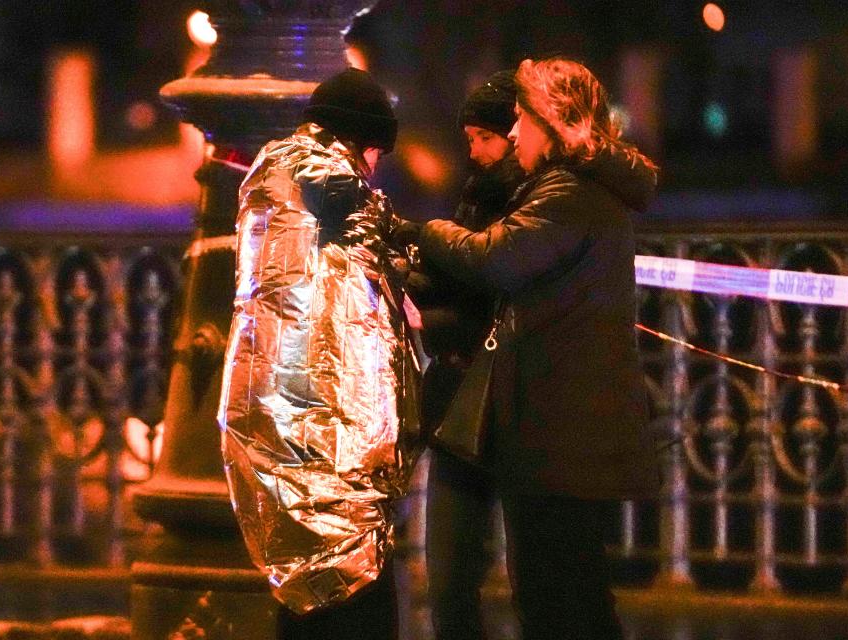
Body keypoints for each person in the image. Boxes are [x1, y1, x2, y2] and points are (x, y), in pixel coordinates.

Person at [397, 57, 660, 639]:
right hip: (562, 425)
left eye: (519, 120)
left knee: (556, 599)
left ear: (553, 119)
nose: (514, 133)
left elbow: (496, 258)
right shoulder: (580, 188)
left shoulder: (567, 191)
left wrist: (427, 232)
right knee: (573, 595)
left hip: (558, 429)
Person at [217, 67, 421, 640]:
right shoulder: (330, 178)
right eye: (376, 152)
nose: (375, 169)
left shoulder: (268, 176)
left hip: (265, 419)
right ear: (362, 142)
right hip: (324, 428)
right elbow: (380, 239)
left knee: (301, 582)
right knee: (351, 578)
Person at [399, 70, 524, 640]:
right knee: (448, 573)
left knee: (526, 574)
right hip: (458, 400)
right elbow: (457, 279)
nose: (474, 151)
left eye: (485, 138)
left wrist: (432, 312)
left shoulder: (531, 206)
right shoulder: (474, 197)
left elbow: (489, 292)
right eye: (469, 138)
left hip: (504, 399)